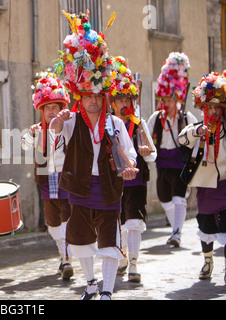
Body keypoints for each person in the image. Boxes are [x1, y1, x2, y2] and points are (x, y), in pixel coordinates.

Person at [51, 11, 137, 300]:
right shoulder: (72, 121)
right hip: (79, 188)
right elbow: (54, 132)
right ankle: (90, 285)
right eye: (88, 96)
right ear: (80, 97)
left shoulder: (115, 124)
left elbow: (129, 153)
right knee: (81, 241)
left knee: (110, 242)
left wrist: (131, 167)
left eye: (98, 96)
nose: (93, 101)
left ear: (104, 97)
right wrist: (58, 121)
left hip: (110, 190)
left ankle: (108, 292)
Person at [22, 69, 73, 280]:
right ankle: (63, 256)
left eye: (55, 107)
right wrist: (32, 134)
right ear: (41, 111)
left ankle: (66, 259)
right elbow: (25, 146)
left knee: (67, 221)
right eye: (48, 108)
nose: (51, 112)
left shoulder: (69, 127)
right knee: (52, 224)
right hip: (47, 181)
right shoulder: (37, 131)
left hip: (67, 180)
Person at [109, 57, 157, 283]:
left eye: (126, 98)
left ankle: (134, 265)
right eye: (118, 99)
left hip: (136, 180)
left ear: (131, 99)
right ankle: (122, 257)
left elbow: (153, 153)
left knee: (134, 221)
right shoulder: (106, 124)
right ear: (111, 103)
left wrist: (147, 151)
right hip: (113, 180)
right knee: (118, 222)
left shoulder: (139, 123)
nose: (122, 103)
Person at [179, 72, 226, 283]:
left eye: (217, 108)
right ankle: (208, 261)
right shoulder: (198, 128)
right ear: (204, 109)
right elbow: (182, 138)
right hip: (206, 186)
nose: (214, 111)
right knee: (206, 225)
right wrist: (199, 131)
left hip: (225, 183)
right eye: (210, 108)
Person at [147, 52, 198, 248]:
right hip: (162, 163)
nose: (165, 104)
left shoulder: (186, 117)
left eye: (168, 100)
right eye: (163, 100)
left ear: (176, 98)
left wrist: (193, 161)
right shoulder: (155, 118)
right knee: (164, 198)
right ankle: (175, 228)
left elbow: (196, 138)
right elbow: (147, 136)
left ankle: (177, 232)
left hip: (180, 162)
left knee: (178, 197)